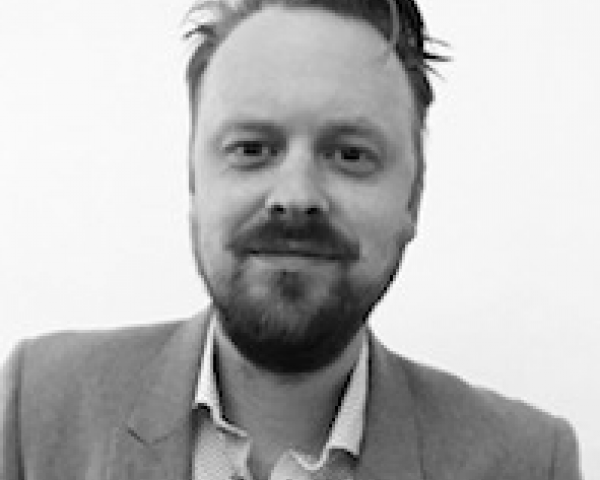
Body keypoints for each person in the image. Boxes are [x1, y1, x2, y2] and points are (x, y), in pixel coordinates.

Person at [0, 0, 583, 479]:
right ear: (194, 182)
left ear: (413, 198)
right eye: (252, 149)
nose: (296, 195)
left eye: (350, 154)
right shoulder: (38, 410)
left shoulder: (530, 463)